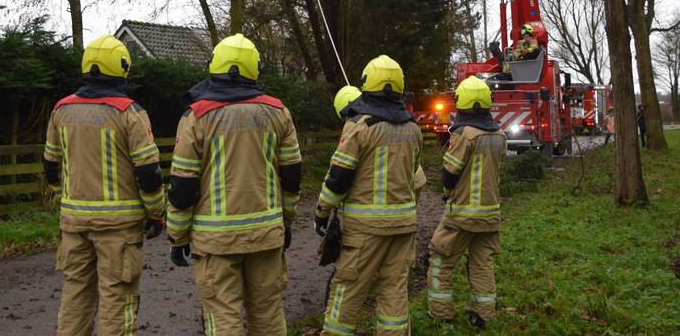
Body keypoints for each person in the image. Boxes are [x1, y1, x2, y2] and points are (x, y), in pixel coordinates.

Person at [166, 33, 301, 336]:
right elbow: (292, 177)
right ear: (255, 69)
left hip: (216, 241)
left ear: (214, 66)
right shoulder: (279, 113)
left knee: (223, 317)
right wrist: (286, 222)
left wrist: (177, 236)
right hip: (266, 235)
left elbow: (182, 186)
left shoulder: (196, 116)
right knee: (268, 317)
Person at [43, 34, 164, 336]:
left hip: (74, 224)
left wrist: (65, 199)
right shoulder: (129, 113)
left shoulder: (61, 110)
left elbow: (50, 167)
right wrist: (155, 213)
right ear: (122, 67)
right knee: (117, 301)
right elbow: (149, 173)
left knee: (75, 298)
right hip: (118, 229)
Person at [315, 55, 423, 336]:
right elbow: (415, 177)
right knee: (394, 291)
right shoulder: (413, 128)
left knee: (348, 290)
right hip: (403, 228)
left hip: (365, 231)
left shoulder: (360, 126)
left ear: (367, 84)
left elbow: (338, 176)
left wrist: (322, 212)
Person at [427, 75, 507, 330]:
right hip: (490, 214)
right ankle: (483, 315)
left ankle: (441, 315)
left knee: (440, 261)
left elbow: (450, 173)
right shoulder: (499, 135)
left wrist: (447, 191)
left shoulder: (464, 135)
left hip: (461, 215)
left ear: (461, 101)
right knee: (482, 264)